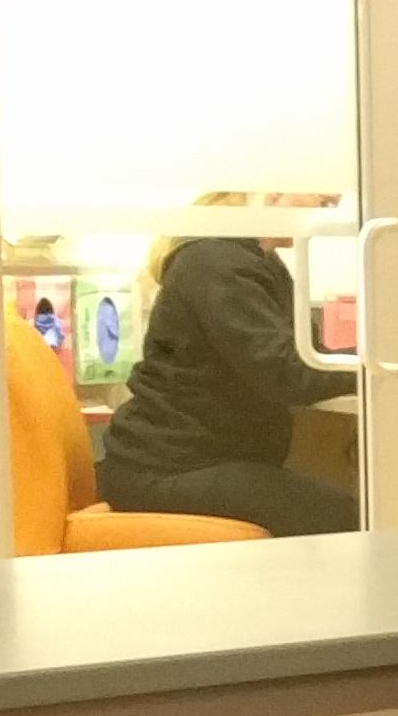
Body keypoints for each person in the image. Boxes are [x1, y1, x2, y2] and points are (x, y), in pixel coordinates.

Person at [95, 193, 358, 535]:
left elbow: (295, 359)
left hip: (180, 459)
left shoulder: (246, 261)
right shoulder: (217, 263)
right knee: (346, 518)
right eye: (323, 202)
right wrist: (369, 363)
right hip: (171, 466)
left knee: (337, 506)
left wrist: (357, 361)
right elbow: (285, 372)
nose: (327, 212)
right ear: (274, 192)